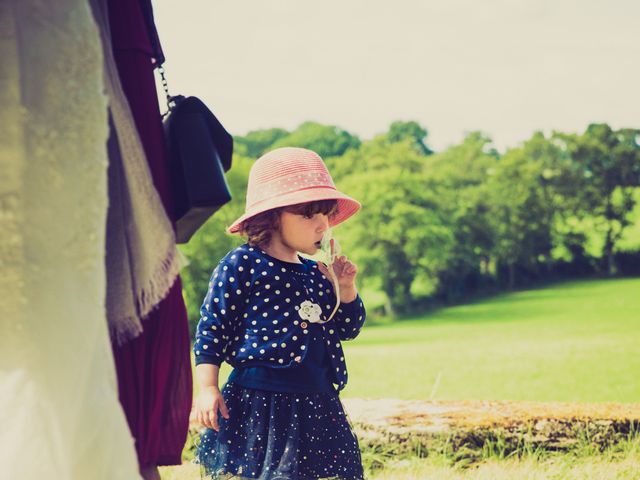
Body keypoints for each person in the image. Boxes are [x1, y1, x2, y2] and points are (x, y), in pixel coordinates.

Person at [193, 147, 367, 480]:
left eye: (326, 215)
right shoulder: (241, 264)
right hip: (261, 401)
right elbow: (213, 328)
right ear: (272, 217)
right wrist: (208, 387)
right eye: (309, 214)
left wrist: (345, 289)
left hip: (316, 399)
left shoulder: (318, 272)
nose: (323, 225)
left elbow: (347, 328)